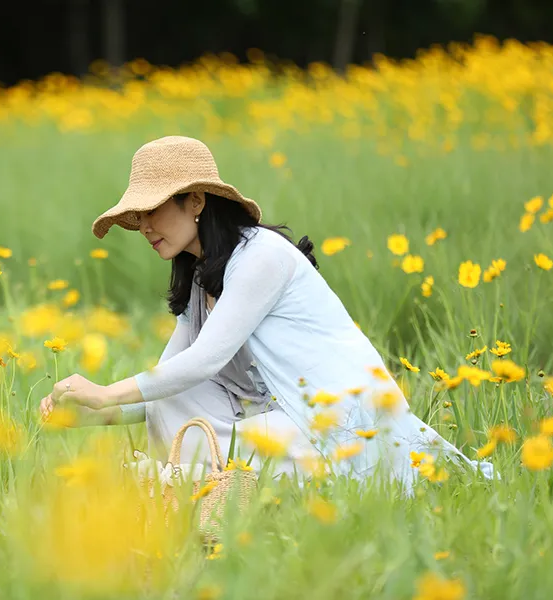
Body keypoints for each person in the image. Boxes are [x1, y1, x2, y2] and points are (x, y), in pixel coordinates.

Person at [39, 135, 493, 491]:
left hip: (331, 418)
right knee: (172, 397)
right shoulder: (201, 277)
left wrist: (102, 393)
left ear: (195, 202)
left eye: (152, 210)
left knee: (239, 440)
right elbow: (171, 377)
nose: (144, 227)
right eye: (137, 218)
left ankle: (206, 483)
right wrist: (93, 415)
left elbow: (206, 361)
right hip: (276, 417)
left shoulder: (262, 256)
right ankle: (211, 482)